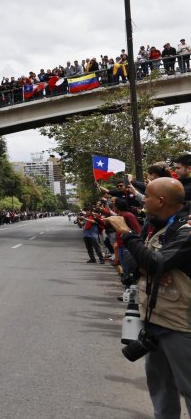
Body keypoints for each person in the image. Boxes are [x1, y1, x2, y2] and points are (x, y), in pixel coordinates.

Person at [104, 178, 191, 419]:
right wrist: (149, 266)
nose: (143, 201)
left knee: (189, 388)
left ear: (161, 201)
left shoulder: (186, 231)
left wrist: (126, 234)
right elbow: (132, 265)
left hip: (181, 326)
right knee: (161, 387)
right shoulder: (153, 226)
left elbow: (153, 261)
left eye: (148, 196)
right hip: (154, 322)